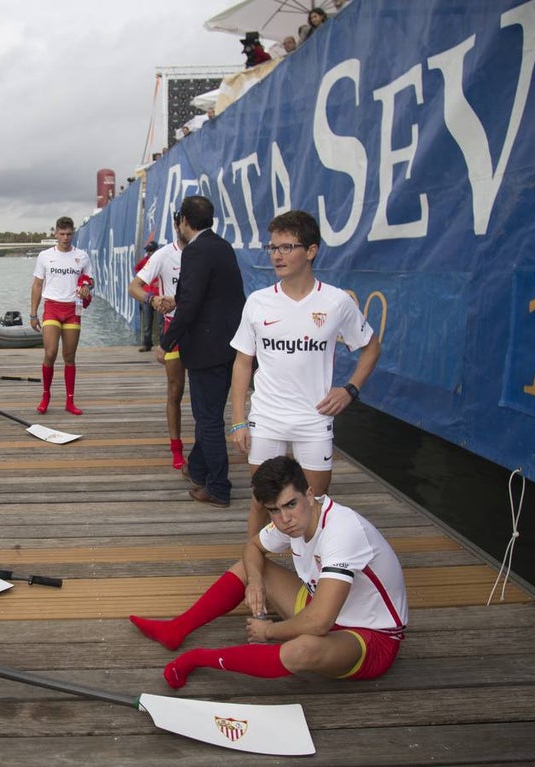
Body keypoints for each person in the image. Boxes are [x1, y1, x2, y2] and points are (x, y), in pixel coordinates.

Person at [130, 456, 408, 689]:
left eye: (290, 505)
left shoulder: (342, 531)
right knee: (252, 567)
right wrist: (255, 582)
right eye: (274, 510)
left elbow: (319, 623)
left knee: (304, 649)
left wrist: (270, 631)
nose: (285, 519)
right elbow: (252, 547)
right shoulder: (294, 520)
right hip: (319, 605)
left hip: (370, 637)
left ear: (310, 495)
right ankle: (176, 629)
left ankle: (198, 659)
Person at [229, 209, 380, 507]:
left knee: (315, 505)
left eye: (287, 247)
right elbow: (242, 361)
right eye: (273, 247)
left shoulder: (336, 302)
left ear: (311, 251)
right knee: (264, 504)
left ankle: (311, 556)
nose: (277, 256)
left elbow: (371, 347)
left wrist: (350, 390)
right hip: (267, 418)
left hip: (314, 419)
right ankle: (253, 556)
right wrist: (237, 421)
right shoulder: (258, 302)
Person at [158, 197, 245, 507]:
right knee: (209, 413)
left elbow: (192, 304)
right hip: (229, 346)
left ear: (184, 220)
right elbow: (218, 297)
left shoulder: (194, 251)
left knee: (207, 419)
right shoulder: (223, 247)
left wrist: (166, 342)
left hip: (205, 350)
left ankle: (219, 486)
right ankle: (197, 468)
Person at [129, 235, 186, 469]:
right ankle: (177, 449)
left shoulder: (205, 252)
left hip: (201, 330)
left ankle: (206, 446)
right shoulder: (163, 254)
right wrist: (152, 300)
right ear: (179, 223)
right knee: (175, 392)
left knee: (205, 395)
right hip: (173, 328)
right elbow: (134, 287)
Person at [30, 216, 92, 415]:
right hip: (52, 308)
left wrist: (86, 287)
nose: (66, 238)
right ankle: (46, 395)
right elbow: (37, 285)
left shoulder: (82, 256)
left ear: (73, 233)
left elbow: (90, 282)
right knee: (50, 353)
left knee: (69, 357)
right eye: (62, 234)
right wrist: (33, 313)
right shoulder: (45, 256)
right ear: (55, 233)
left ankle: (70, 401)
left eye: (69, 234)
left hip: (73, 309)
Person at [133, 241, 160, 352]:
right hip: (146, 296)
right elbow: (137, 268)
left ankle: (163, 345)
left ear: (156, 251)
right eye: (147, 251)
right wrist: (143, 281)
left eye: (151, 251)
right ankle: (147, 344)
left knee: (161, 323)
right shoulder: (145, 261)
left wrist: (160, 282)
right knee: (147, 322)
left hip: (159, 296)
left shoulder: (160, 260)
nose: (148, 253)